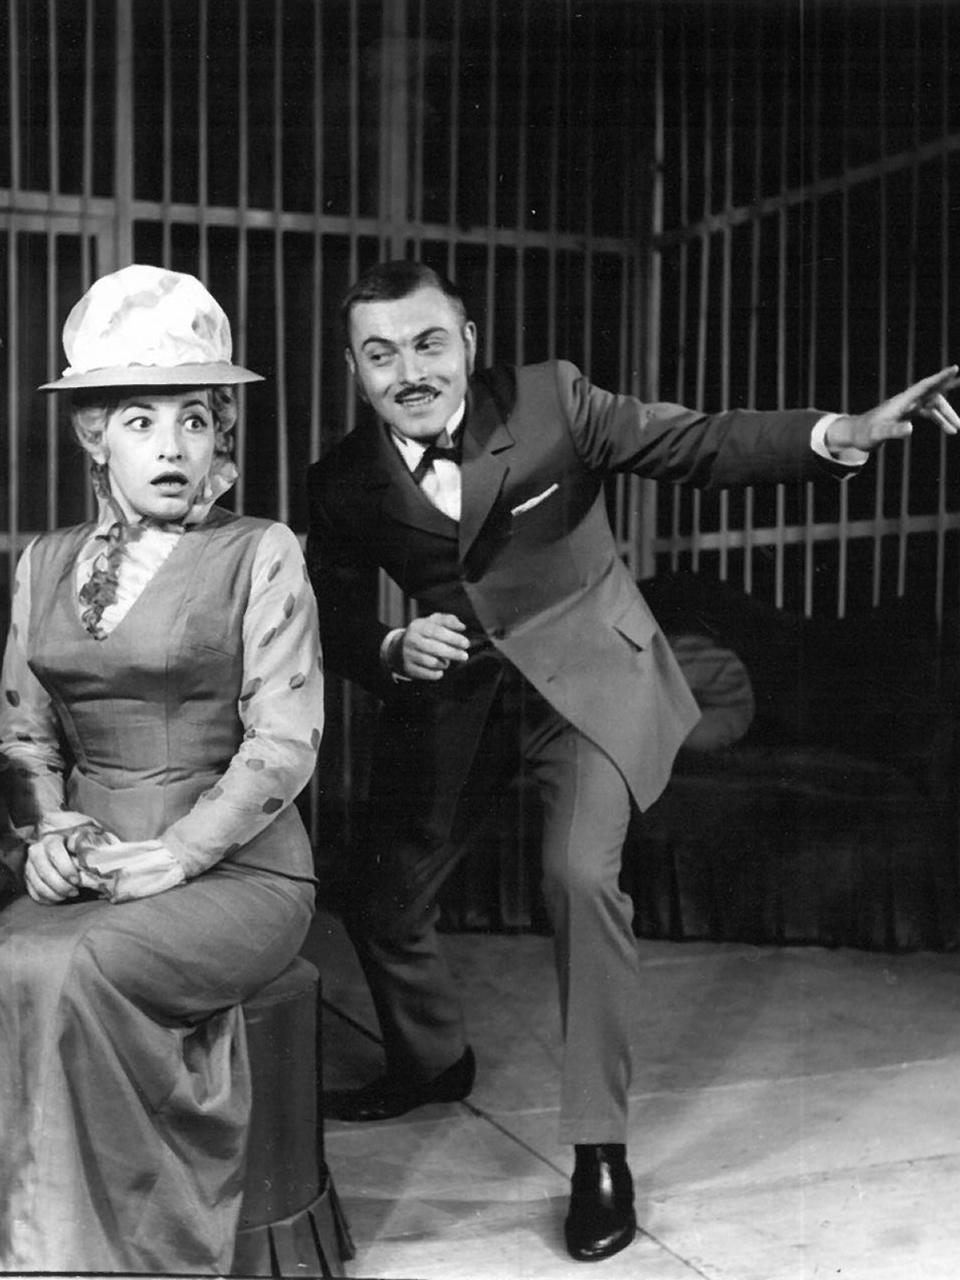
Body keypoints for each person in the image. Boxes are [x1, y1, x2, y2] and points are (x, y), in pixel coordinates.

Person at [306, 259, 959, 1263]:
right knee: (383, 893)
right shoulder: (344, 480)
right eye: (381, 354)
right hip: (462, 700)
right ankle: (432, 1062)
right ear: (355, 369)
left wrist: (840, 433)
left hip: (591, 680)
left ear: (468, 343)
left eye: (429, 343)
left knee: (578, 876)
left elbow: (697, 441)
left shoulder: (552, 401)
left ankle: (598, 1149)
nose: (410, 371)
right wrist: (393, 645)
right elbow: (335, 611)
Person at [0, 264, 324, 1274]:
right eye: (141, 421)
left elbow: (285, 741)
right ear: (95, 436)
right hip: (93, 858)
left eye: (195, 418)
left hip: (240, 871)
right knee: (13, 960)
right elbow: (23, 736)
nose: (174, 446)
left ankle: (114, 1260)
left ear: (220, 433)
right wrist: (45, 832)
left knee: (74, 965)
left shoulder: (261, 550)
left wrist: (180, 853)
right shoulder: (42, 562)